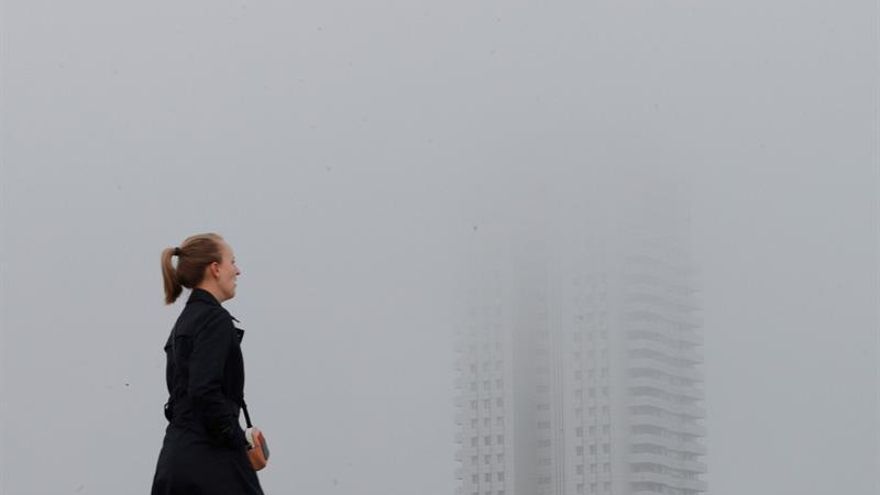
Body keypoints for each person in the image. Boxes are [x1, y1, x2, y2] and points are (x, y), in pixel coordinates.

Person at [151, 233, 266, 495]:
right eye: (232, 262)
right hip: (210, 464)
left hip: (174, 462)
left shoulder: (184, 323)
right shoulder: (215, 320)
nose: (238, 270)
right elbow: (204, 391)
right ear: (215, 269)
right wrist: (238, 440)